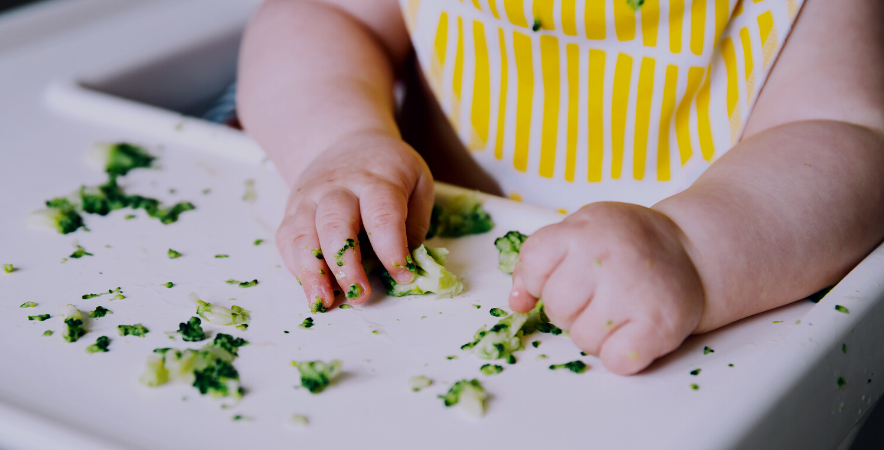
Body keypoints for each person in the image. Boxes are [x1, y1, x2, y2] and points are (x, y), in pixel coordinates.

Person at [237, 0, 884, 375]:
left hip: (679, 324)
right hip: (426, 278)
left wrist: (694, 248)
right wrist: (338, 140)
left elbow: (849, 140)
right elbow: (322, 15)